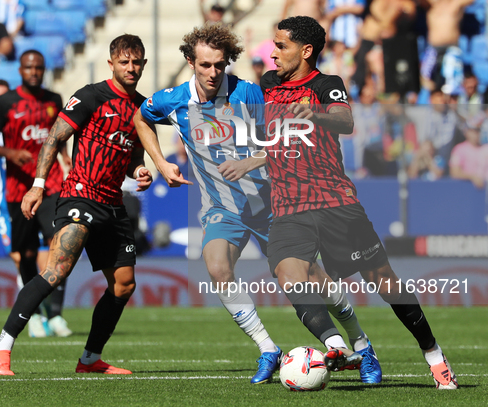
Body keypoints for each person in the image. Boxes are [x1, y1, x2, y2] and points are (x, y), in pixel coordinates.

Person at [134, 22, 380, 384]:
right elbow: (141, 117)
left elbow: (288, 137)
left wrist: (255, 160)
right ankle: (268, 348)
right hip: (222, 208)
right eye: (205, 65)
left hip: (272, 204)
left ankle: (361, 344)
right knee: (217, 267)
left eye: (220, 64)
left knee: (311, 280)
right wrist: (159, 161)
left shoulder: (249, 94)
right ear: (190, 62)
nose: (213, 72)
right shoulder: (172, 100)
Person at [261, 16, 458, 389]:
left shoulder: (326, 85)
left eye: (281, 46)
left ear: (305, 51)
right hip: (288, 206)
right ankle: (338, 346)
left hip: (335, 202)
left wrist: (313, 112)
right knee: (290, 276)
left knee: (384, 282)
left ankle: (433, 353)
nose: (273, 53)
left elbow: (344, 119)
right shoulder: (268, 85)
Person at [0, 34, 153, 376]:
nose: (131, 68)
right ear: (111, 64)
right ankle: (0, 345)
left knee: (124, 284)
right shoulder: (91, 95)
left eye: (136, 62)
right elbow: (54, 138)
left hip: (113, 203)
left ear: (144, 64)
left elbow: (134, 154)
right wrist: (38, 185)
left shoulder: (142, 107)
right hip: (80, 194)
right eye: (124, 62)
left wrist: (140, 170)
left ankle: (89, 360)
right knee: (56, 269)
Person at [0, 79, 71, 338]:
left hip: (42, 198)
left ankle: (53, 313)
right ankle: (35, 313)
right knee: (21, 257)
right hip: (6, 204)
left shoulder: (29, 125)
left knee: (56, 254)